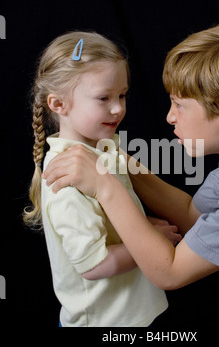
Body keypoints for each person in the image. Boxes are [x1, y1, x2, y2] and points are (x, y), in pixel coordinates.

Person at [42, 17, 219, 291]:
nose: (170, 116)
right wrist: (116, 160)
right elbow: (192, 216)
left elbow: (171, 273)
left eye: (179, 105)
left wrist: (105, 185)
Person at [23, 31, 182, 327]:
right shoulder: (66, 177)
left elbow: (108, 223)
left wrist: (143, 228)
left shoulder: (103, 149)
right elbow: (93, 264)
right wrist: (153, 242)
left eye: (122, 95)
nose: (118, 108)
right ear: (58, 105)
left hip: (131, 316)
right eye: (103, 98)